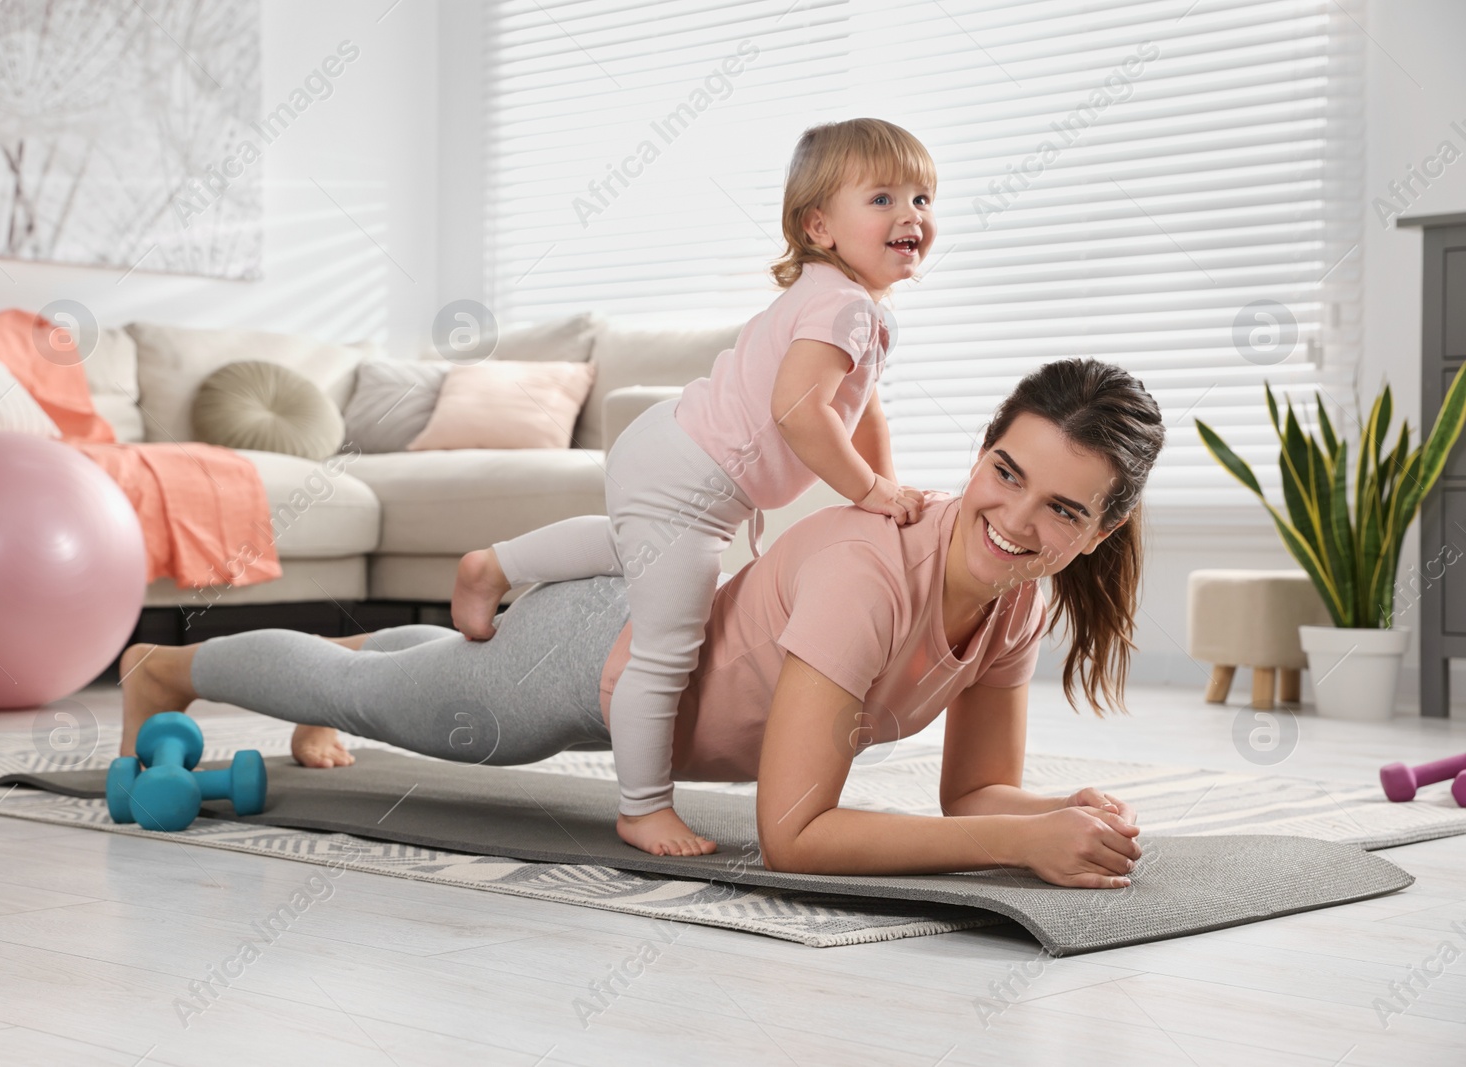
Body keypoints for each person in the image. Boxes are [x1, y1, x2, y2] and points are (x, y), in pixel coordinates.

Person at [117, 358, 1165, 888]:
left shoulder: (1016, 601)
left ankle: (365, 653)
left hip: (634, 628)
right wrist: (1018, 841)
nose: (1015, 522)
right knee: (377, 704)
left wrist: (1043, 807)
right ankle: (168, 668)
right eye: (1005, 473)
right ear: (981, 450)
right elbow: (793, 836)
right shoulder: (867, 570)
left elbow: (969, 791)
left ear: (1100, 530)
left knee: (403, 677)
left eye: (1062, 509)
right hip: (588, 663)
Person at [453, 118, 940, 859]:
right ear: (820, 226)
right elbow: (798, 411)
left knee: (633, 545)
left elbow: (863, 404)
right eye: (882, 198)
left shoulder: (850, 303)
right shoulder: (841, 306)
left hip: (672, 452)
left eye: (923, 197)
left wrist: (884, 484)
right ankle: (641, 806)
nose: (910, 214)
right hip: (691, 477)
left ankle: (497, 563)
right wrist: (869, 489)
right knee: (667, 645)